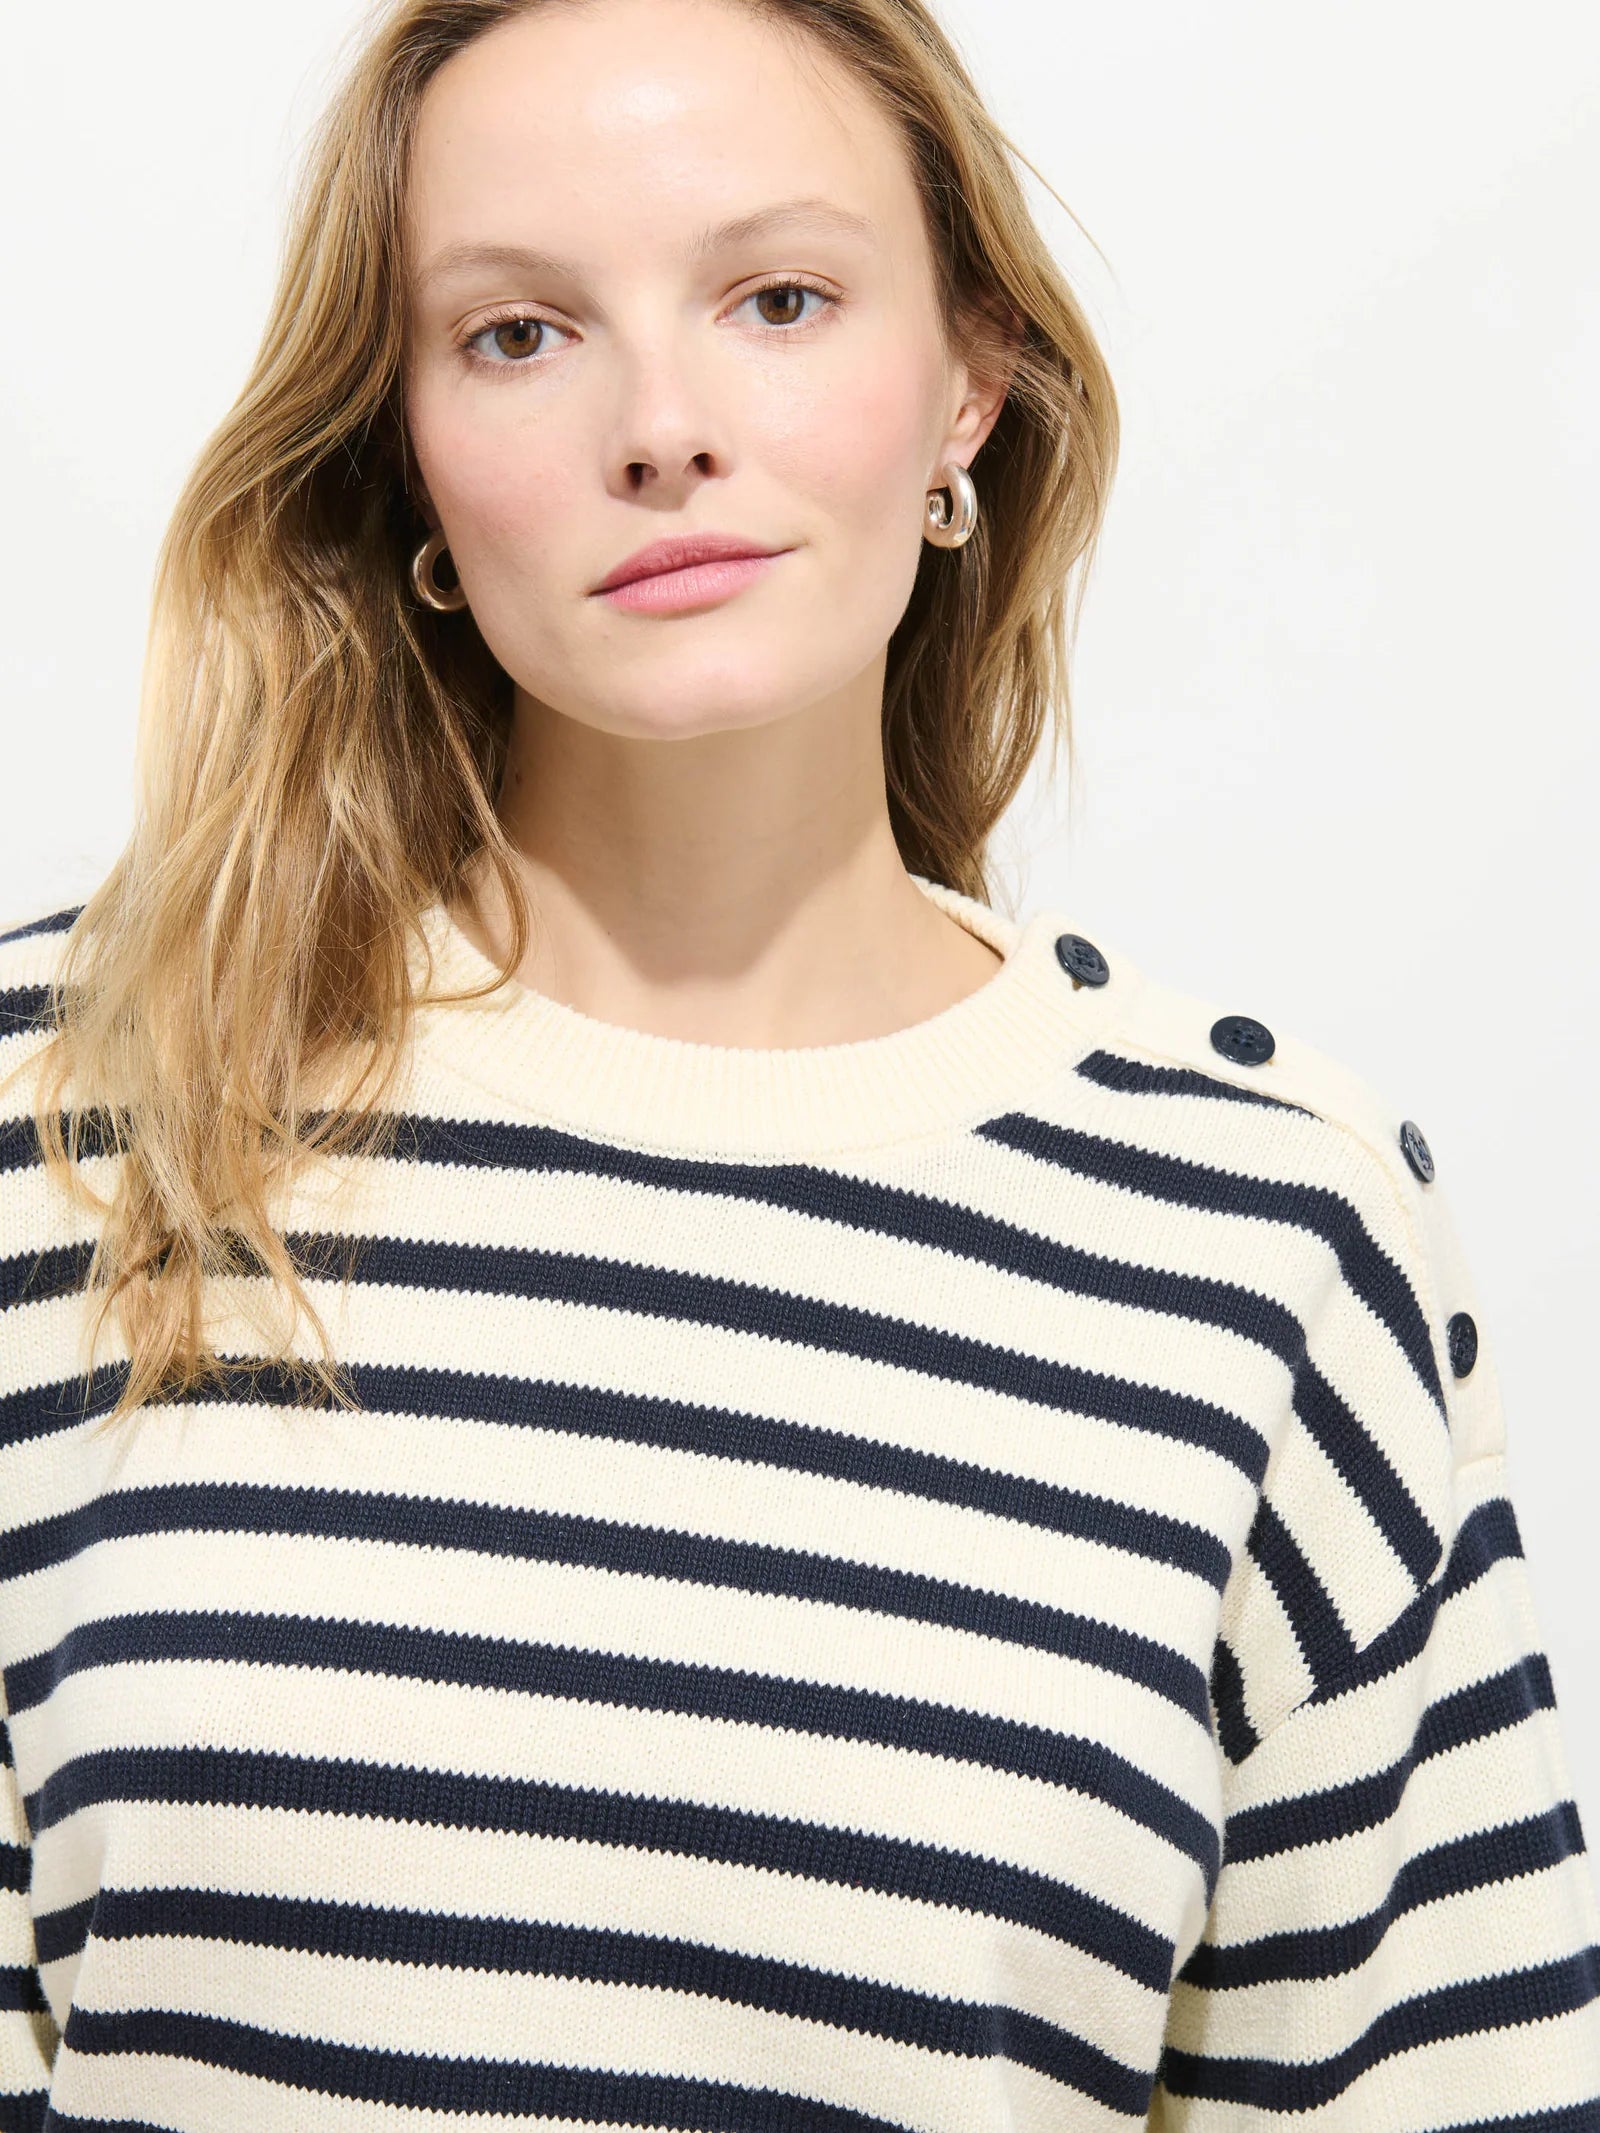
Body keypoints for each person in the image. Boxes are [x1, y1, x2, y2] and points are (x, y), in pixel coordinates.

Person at [1, 0, 1595, 2123]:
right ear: (402, 456)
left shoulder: (1274, 1232)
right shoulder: (74, 1110)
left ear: (969, 378)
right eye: (515, 334)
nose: (660, 427)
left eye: (776, 299)